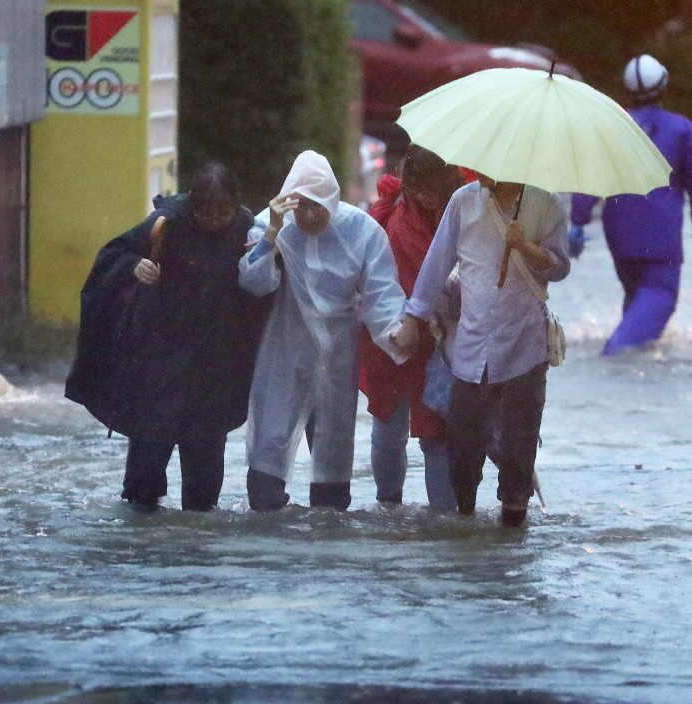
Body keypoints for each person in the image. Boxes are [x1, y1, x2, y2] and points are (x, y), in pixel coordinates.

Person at [65, 163, 270, 511]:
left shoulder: (246, 227)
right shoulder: (167, 222)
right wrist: (135, 267)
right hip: (159, 360)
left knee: (204, 475)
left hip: (214, 363)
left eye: (224, 211)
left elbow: (262, 284)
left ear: (235, 205)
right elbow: (114, 256)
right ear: (193, 204)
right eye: (207, 211)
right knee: (146, 467)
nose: (216, 219)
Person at [395, 172, 570, 526]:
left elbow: (560, 267)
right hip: (472, 348)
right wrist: (414, 318)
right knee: (463, 451)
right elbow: (437, 263)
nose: (480, 170)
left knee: (518, 452)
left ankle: (513, 527)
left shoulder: (546, 203)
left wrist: (526, 247)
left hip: (525, 347)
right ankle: (465, 532)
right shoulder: (463, 201)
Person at [239, 150, 407, 512]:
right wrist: (271, 234)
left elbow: (382, 292)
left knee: (331, 478)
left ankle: (326, 553)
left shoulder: (361, 231)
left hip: (336, 361)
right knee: (266, 467)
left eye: (318, 206)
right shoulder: (271, 226)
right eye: (302, 207)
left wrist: (397, 333)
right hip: (285, 356)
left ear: (333, 201)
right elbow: (253, 281)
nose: (310, 215)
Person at [359, 145, 463, 509]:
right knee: (389, 426)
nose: (427, 197)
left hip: (444, 339)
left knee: (438, 433)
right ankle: (388, 506)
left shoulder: (467, 208)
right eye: (419, 189)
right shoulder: (395, 219)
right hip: (394, 334)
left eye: (433, 189)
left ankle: (445, 518)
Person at [569, 54, 692, 355]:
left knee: (636, 296)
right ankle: (613, 353)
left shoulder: (613, 126)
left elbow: (590, 180)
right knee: (660, 294)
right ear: (663, 86)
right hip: (661, 237)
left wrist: (578, 222)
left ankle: (626, 360)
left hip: (619, 234)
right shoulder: (681, 129)